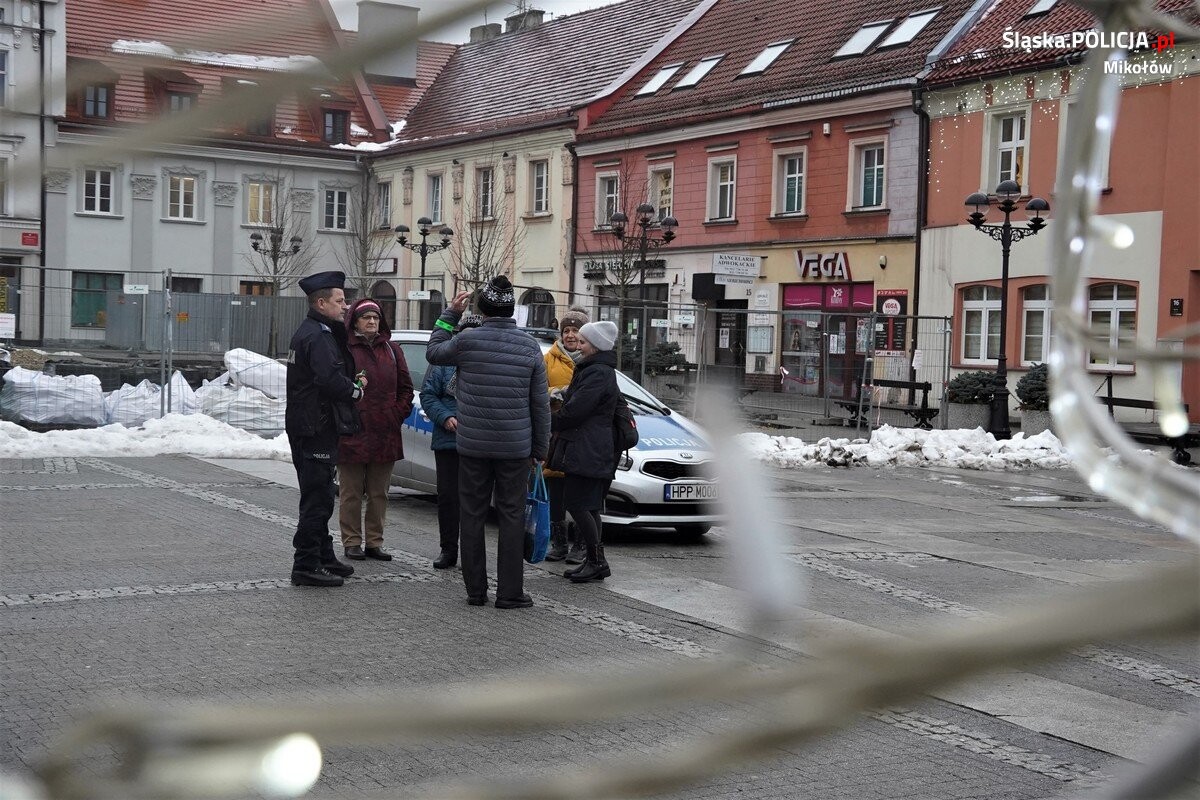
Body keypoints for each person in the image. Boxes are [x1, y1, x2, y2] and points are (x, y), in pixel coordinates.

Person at [426, 276, 550, 609]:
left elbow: (434, 352)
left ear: (482, 308)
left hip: (473, 445)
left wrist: (449, 315)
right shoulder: (529, 347)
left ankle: (475, 591)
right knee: (511, 516)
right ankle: (510, 592)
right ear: (512, 309)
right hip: (515, 447)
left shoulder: (468, 341)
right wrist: (540, 449)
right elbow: (540, 404)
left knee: (473, 514)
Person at [284, 270, 365, 587]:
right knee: (317, 499)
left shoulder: (315, 331)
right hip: (314, 426)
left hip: (311, 423)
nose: (346, 306)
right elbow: (329, 380)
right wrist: (355, 390)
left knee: (320, 494)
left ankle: (322, 555)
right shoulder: (317, 336)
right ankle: (305, 564)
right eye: (340, 300)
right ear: (321, 303)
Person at [337, 298, 414, 562]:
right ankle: (351, 541)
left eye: (376, 318)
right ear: (355, 322)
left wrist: (396, 414)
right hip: (352, 434)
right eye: (366, 318)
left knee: (379, 493)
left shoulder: (392, 350)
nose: (371, 322)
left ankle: (374, 542)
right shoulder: (344, 348)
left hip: (385, 433)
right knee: (351, 493)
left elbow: (406, 388)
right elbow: (336, 386)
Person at [552, 319, 620, 583]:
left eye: (583, 342)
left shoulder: (597, 372)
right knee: (588, 506)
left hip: (587, 445)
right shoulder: (594, 368)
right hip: (590, 445)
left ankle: (597, 560)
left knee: (579, 505)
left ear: (596, 346)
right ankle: (594, 561)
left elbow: (577, 410)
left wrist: (551, 420)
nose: (577, 345)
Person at [418, 312, 482, 570]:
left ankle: (471, 551)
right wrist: (445, 417)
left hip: (478, 442)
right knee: (448, 498)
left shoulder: (484, 362)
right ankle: (448, 549)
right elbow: (428, 395)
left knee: (473, 500)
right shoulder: (444, 362)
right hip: (447, 441)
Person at [542, 305, 589, 563]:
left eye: (576, 330)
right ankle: (558, 543)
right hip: (556, 432)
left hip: (582, 434)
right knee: (556, 491)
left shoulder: (591, 358)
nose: (571, 335)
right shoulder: (548, 359)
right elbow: (538, 390)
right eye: (567, 330)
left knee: (580, 492)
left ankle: (580, 545)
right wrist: (555, 392)